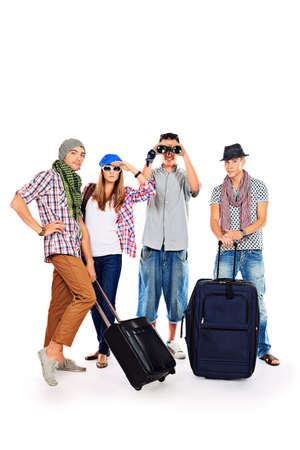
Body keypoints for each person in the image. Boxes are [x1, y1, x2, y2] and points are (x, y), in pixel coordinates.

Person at [10, 138, 97, 386]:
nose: (79, 157)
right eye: (73, 152)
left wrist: (89, 261)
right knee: (86, 297)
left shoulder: (74, 185)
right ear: (62, 155)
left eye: (83, 154)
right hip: (59, 248)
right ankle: (51, 351)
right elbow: (17, 201)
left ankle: (56, 355)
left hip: (74, 250)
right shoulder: (48, 176)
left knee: (60, 304)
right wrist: (40, 229)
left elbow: (81, 226)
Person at [81, 154, 156, 369]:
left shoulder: (124, 194)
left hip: (112, 256)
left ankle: (104, 350)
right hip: (88, 257)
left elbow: (150, 190)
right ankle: (103, 344)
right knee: (92, 304)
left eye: (116, 168)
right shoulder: (88, 191)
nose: (112, 172)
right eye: (108, 168)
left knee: (107, 303)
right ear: (101, 170)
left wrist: (131, 167)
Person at [210, 143, 280, 366]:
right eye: (227, 162)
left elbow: (262, 220)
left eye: (233, 161)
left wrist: (239, 232)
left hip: (252, 251)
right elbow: (213, 220)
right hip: (227, 251)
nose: (229, 165)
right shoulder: (217, 190)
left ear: (243, 162)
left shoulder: (259, 186)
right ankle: (220, 346)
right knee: (220, 298)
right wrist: (222, 236)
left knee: (257, 299)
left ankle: (262, 349)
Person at [137, 132, 200, 359]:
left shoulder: (184, 175)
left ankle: (173, 340)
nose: (169, 153)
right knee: (149, 295)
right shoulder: (152, 174)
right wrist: (151, 156)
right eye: (165, 148)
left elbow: (195, 188)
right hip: (152, 245)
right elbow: (142, 189)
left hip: (177, 245)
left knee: (176, 296)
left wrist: (186, 156)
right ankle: (152, 341)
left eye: (174, 148)